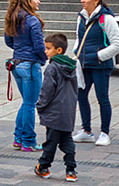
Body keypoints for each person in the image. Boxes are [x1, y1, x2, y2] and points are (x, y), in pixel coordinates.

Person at [72, 0, 119, 147]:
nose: (83, 1)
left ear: (96, 0)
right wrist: (76, 52)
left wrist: (98, 56)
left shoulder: (106, 19)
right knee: (81, 96)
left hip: (100, 66)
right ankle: (86, 131)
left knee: (102, 98)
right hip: (84, 64)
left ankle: (104, 133)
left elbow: (118, 44)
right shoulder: (81, 17)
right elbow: (78, 38)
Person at [4, 0, 47, 152]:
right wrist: (43, 59)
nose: (38, 1)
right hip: (30, 65)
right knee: (30, 104)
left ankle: (18, 138)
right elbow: (39, 46)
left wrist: (20, 49)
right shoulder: (33, 20)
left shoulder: (13, 17)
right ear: (28, 0)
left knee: (26, 103)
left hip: (16, 64)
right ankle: (28, 141)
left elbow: (8, 41)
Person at [34, 33, 78, 182]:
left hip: (54, 112)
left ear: (58, 50)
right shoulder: (72, 66)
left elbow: (47, 91)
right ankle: (71, 170)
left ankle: (43, 166)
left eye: (48, 49)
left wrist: (40, 106)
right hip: (68, 111)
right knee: (67, 140)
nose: (45, 52)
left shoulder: (52, 68)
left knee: (51, 141)